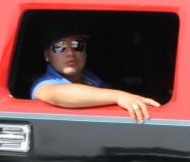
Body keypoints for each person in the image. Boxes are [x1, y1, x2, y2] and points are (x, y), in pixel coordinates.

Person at [31, 25, 159, 123]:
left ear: (85, 53)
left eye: (77, 45)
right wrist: (119, 96)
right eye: (59, 46)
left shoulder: (92, 78)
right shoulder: (44, 84)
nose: (70, 52)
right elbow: (58, 95)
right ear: (47, 55)